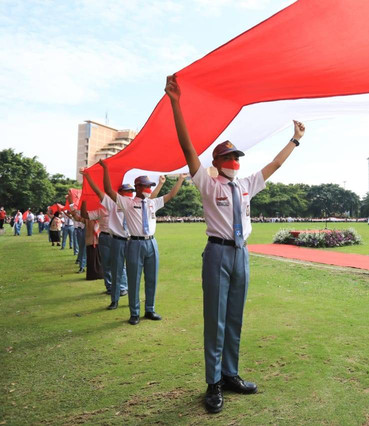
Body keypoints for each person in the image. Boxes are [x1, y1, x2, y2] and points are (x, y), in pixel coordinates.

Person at [165, 74, 305, 414]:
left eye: (236, 156)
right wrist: (175, 103)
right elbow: (187, 149)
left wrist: (295, 140)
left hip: (242, 254)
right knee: (215, 318)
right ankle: (212, 383)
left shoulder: (245, 185)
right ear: (216, 162)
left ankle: (230, 374)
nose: (234, 161)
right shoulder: (207, 184)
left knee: (235, 317)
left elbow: (274, 165)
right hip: (217, 252)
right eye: (228, 157)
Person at [99, 159, 185, 325]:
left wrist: (180, 179)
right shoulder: (127, 203)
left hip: (152, 243)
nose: (148, 189)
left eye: (150, 186)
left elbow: (171, 195)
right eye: (145, 186)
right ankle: (134, 313)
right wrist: (105, 170)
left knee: (152, 278)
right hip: (135, 243)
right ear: (137, 187)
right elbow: (109, 190)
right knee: (134, 279)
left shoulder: (153, 203)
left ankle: (150, 309)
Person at [82, 168, 165, 310]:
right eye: (126, 191)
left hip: (133, 241)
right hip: (119, 240)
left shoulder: (137, 203)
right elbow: (100, 191)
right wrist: (88, 178)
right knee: (117, 270)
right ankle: (115, 299)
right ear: (119, 193)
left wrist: (160, 184)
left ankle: (133, 301)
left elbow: (152, 199)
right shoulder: (114, 203)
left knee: (133, 272)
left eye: (131, 191)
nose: (129, 194)